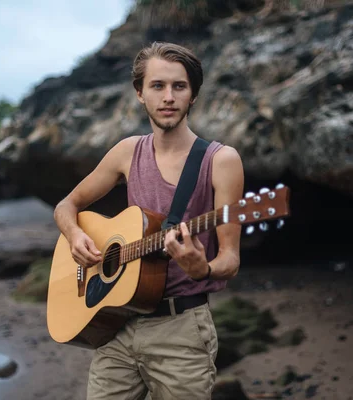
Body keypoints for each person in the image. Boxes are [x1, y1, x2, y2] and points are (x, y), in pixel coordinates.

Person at [53, 41, 245, 400]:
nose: (168, 97)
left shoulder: (221, 160)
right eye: (157, 86)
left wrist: (202, 269)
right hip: (118, 323)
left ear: (193, 95)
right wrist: (75, 234)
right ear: (140, 94)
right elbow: (67, 204)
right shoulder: (128, 152)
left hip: (181, 330)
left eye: (179, 86)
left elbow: (230, 260)